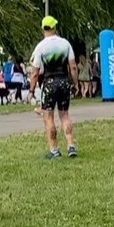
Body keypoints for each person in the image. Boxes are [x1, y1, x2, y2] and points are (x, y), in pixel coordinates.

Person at [28, 15, 79, 159]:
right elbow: (73, 66)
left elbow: (35, 72)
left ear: (43, 29)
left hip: (49, 83)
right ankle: (70, 145)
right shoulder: (65, 44)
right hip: (64, 81)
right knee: (64, 115)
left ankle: (54, 150)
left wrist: (31, 91)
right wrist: (75, 83)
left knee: (48, 117)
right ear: (54, 27)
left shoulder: (40, 47)